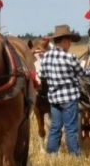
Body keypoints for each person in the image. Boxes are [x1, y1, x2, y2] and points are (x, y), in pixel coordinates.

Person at [37, 24, 86, 157]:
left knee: (55, 127)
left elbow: (42, 75)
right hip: (69, 97)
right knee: (70, 128)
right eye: (69, 41)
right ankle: (74, 154)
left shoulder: (46, 57)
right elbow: (82, 73)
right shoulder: (70, 57)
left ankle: (52, 153)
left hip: (53, 98)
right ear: (64, 41)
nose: (70, 44)